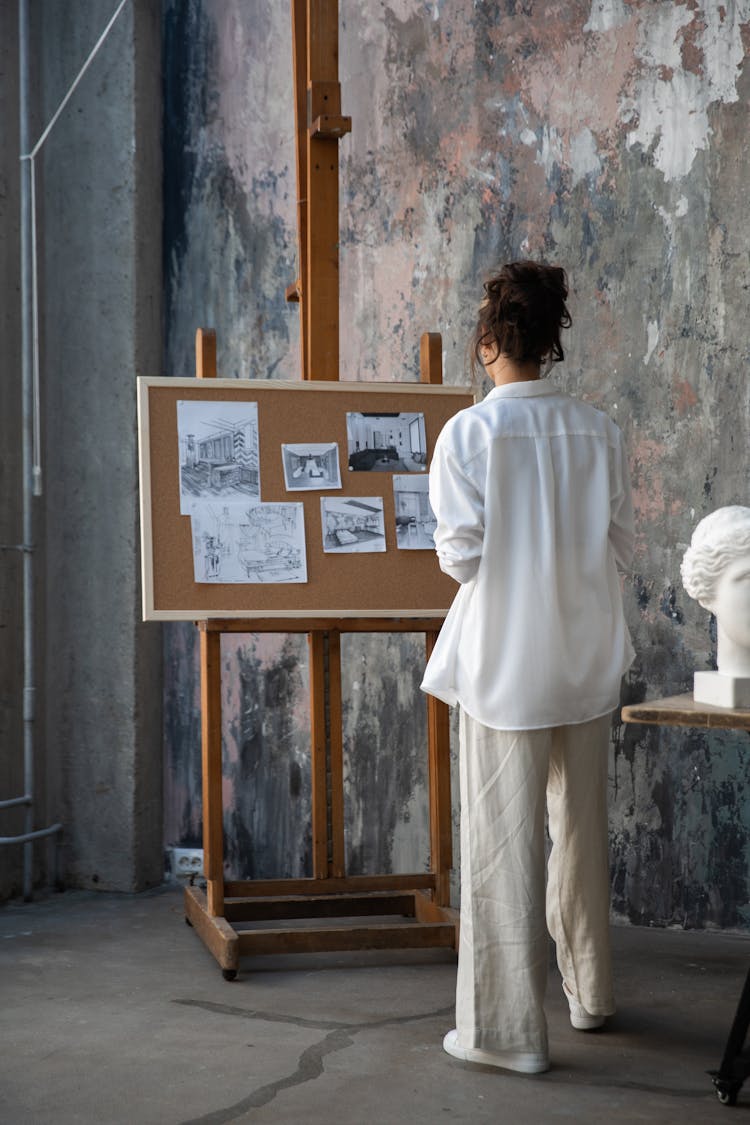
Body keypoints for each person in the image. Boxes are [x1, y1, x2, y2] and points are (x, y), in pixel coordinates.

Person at [421, 260, 634, 1075]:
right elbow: (619, 547)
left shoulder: (468, 435)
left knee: (502, 846)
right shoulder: (598, 429)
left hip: (506, 666)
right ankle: (591, 993)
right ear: (551, 341)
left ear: (486, 344)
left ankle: (506, 1032)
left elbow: (462, 559)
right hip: (585, 660)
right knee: (580, 832)